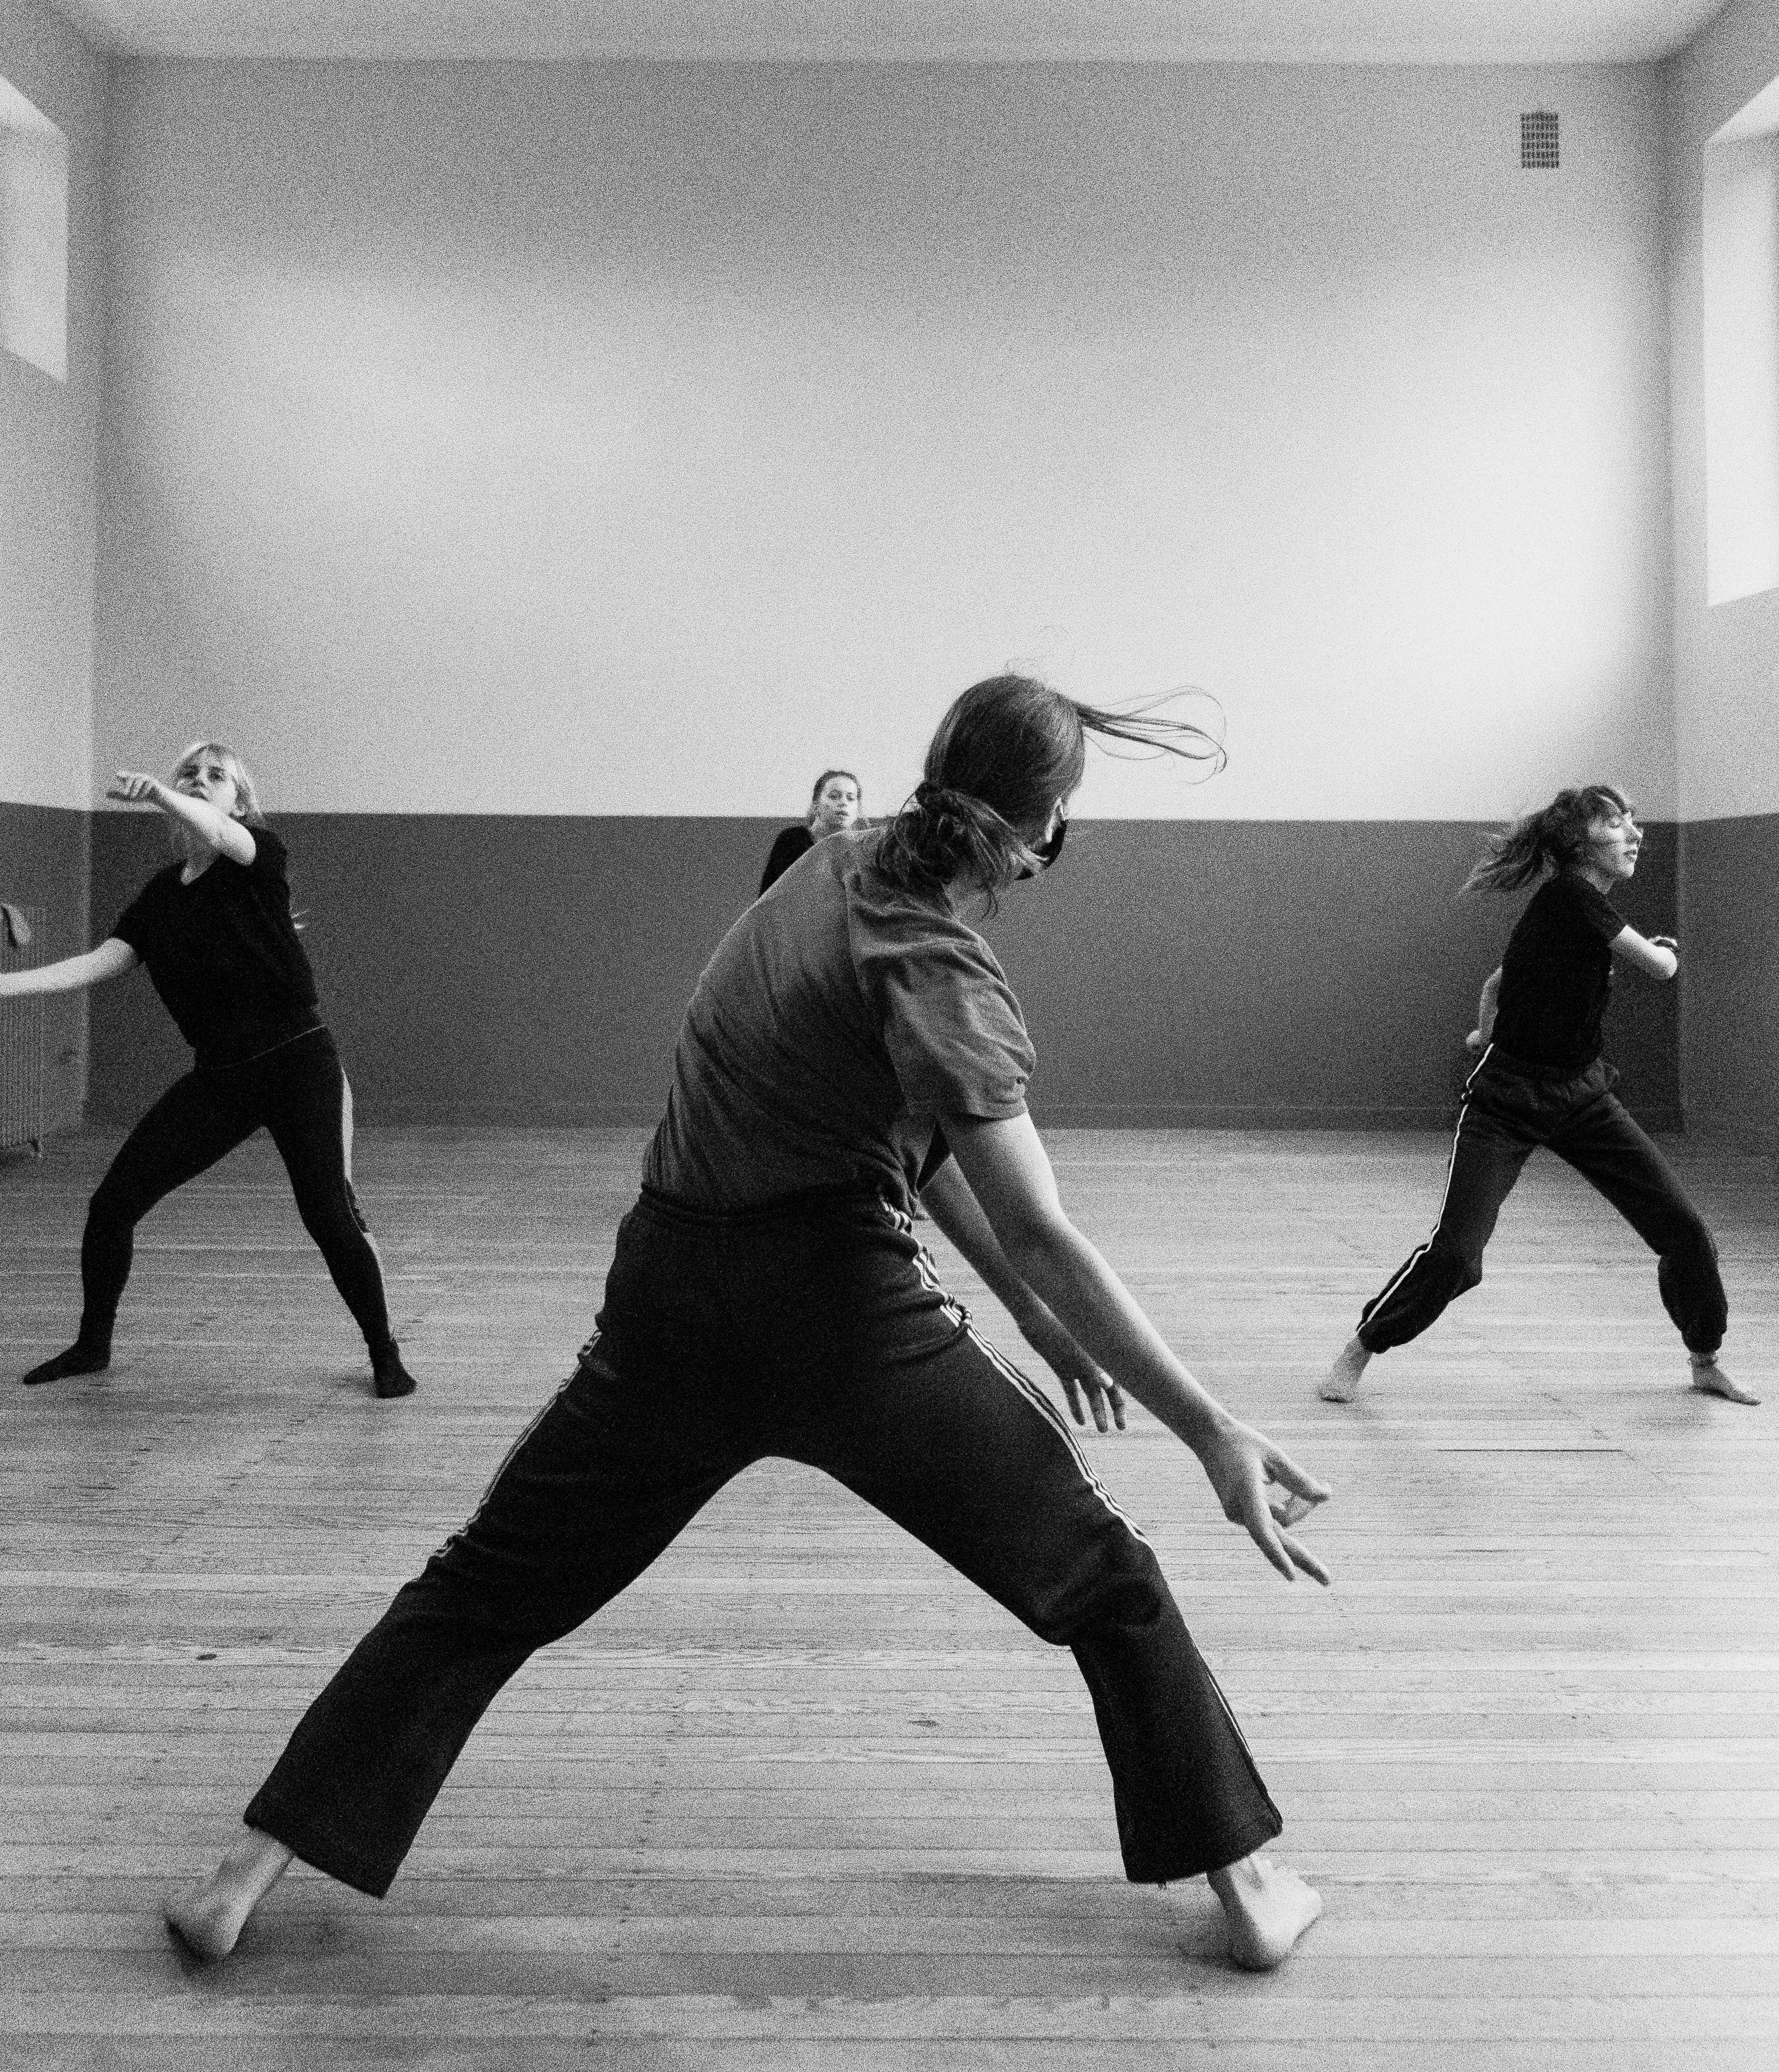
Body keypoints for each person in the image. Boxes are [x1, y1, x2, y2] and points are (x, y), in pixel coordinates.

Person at [166, 675, 1329, 1975]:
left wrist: (1032, 1320)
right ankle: (1249, 1888)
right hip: (842, 1316)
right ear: (1044, 826)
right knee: (1104, 1580)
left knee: (484, 1586)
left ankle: (241, 1875)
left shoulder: (822, 871)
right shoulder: (941, 963)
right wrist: (1211, 1429)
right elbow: (1043, 1219)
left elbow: (911, 1138)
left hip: (667, 1290)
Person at [0, 743, 415, 1400]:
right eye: (189, 773)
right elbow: (106, 961)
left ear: (238, 802)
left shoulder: (259, 854)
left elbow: (222, 836)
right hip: (222, 1076)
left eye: (216, 776)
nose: (200, 781)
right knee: (112, 1204)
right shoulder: (161, 896)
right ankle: (92, 1345)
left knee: (328, 1214)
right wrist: (6, 986)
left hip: (299, 1061)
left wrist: (163, 794)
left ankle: (385, 1355)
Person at [1320, 786, 1757, 1409]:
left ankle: (1705, 1359)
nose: (1635, 835)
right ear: (1579, 844)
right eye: (1617, 825)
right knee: (1458, 1255)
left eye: (1635, 823)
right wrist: (1663, 950)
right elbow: (1659, 970)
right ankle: (1363, 1345)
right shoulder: (1574, 897)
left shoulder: (1572, 912)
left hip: (1581, 1097)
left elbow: (1496, 982)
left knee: (1683, 1231)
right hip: (1504, 1105)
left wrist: (1486, 1030)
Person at [757, 768, 863, 894]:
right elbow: (771, 897)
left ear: (858, 810)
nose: (843, 803)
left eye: (851, 798)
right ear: (816, 804)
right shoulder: (793, 840)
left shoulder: (862, 848)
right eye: (834, 797)